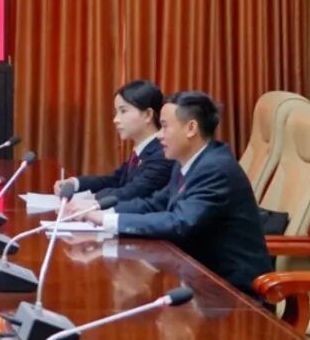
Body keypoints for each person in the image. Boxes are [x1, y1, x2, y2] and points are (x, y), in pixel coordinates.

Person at [74, 91, 272, 298]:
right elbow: (154, 204)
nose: (159, 135)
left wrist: (106, 220)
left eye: (165, 126)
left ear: (191, 128)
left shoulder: (215, 168)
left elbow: (180, 222)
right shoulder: (186, 162)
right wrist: (99, 213)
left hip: (232, 291)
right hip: (197, 279)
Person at [54, 79, 171, 201]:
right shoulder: (141, 151)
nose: (116, 120)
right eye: (116, 112)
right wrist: (74, 183)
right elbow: (115, 180)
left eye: (123, 111)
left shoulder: (162, 153)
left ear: (147, 115)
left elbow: (132, 192)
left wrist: (90, 200)